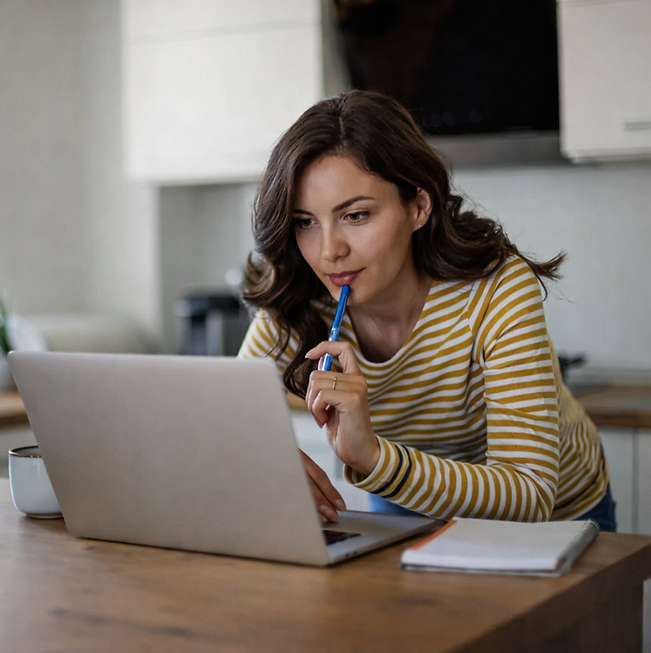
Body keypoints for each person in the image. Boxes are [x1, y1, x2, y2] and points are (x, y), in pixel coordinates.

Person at [237, 90, 615, 531]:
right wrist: (271, 461)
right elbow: (225, 422)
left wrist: (375, 459)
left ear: (417, 206)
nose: (328, 252)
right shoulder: (300, 297)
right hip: (407, 500)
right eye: (305, 222)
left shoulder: (496, 288)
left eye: (356, 215)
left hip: (556, 517)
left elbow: (529, 491)